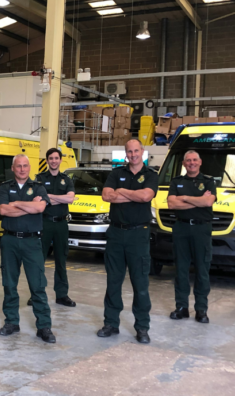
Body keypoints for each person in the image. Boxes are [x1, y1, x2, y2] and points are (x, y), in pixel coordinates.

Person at [98, 139, 158, 344]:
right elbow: (106, 196)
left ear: (142, 152)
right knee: (113, 281)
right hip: (116, 234)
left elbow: (146, 196)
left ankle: (142, 326)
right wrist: (132, 195)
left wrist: (122, 192)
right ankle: (111, 323)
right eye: (129, 152)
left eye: (136, 151)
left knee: (140, 283)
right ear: (126, 154)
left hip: (138, 235)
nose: (132, 154)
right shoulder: (116, 174)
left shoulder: (151, 175)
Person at [0, 154, 56, 344]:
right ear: (13, 168)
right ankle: (11, 322)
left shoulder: (38, 187)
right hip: (10, 241)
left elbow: (40, 209)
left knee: (38, 285)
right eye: (18, 166)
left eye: (25, 166)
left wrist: (16, 204)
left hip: (32, 242)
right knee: (9, 283)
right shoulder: (5, 187)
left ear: (29, 168)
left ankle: (44, 326)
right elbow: (4, 211)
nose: (22, 169)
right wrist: (29, 206)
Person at [167, 150, 216, 324]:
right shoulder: (176, 182)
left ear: (200, 162)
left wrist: (186, 198)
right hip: (181, 228)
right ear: (184, 163)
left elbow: (208, 202)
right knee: (180, 269)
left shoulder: (209, 182)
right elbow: (171, 203)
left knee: (202, 270)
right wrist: (198, 200)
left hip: (201, 230)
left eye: (195, 160)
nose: (192, 163)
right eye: (188, 160)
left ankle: (201, 309)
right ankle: (181, 307)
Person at [29, 148, 76, 308]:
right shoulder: (40, 179)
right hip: (44, 223)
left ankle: (62, 295)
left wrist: (49, 198)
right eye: (51, 158)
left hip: (62, 224)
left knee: (61, 260)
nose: (54, 161)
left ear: (60, 160)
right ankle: (36, 294)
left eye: (56, 158)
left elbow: (70, 199)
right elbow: (37, 200)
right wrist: (59, 199)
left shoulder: (66, 179)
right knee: (38, 259)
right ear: (47, 160)